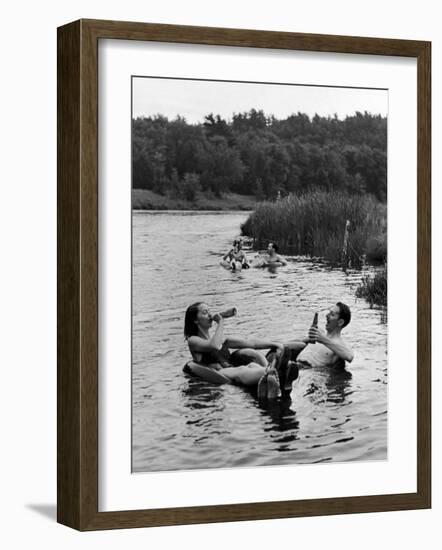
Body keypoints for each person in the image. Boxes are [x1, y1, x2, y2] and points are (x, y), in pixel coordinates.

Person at [183, 302, 297, 397]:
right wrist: (221, 322)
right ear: (195, 320)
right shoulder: (193, 340)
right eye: (205, 312)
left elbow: (250, 343)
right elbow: (213, 345)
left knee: (252, 366)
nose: (210, 315)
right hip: (218, 373)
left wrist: (275, 344)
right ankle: (276, 371)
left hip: (230, 368)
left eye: (209, 311)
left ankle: (278, 374)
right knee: (241, 370)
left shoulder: (221, 339)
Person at [286, 302, 354, 368]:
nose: (327, 316)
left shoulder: (338, 344)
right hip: (294, 364)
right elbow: (293, 343)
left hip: (306, 371)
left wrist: (323, 339)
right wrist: (307, 338)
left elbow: (350, 356)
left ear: (340, 322)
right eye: (329, 313)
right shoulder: (319, 336)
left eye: (332, 314)